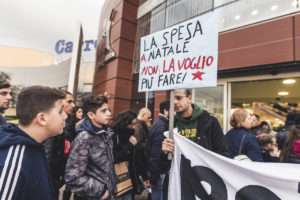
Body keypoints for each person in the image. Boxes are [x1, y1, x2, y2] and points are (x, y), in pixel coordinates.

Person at [0, 85, 67, 199]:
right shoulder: (13, 164)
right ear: (42, 119)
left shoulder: (34, 146)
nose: (65, 116)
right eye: (60, 111)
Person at [65, 95, 116, 200]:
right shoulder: (84, 138)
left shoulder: (106, 133)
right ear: (91, 115)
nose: (109, 113)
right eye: (103, 111)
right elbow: (73, 178)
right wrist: (101, 191)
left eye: (108, 110)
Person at [162, 89, 229, 157]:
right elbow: (163, 158)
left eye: (179, 98)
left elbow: (222, 152)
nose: (175, 102)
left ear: (189, 98)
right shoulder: (171, 123)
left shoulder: (210, 121)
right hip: (179, 167)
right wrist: (165, 151)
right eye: (172, 99)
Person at [44, 91, 75, 200]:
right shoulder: (54, 124)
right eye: (69, 102)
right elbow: (48, 156)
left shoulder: (69, 122)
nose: (73, 105)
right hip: (50, 181)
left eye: (73, 102)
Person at [111, 110, 139, 200]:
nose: (134, 126)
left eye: (135, 123)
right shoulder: (114, 135)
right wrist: (130, 145)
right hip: (119, 177)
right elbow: (114, 158)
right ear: (125, 122)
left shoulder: (132, 134)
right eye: (132, 123)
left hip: (130, 177)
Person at [147, 101, 170, 200]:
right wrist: (154, 178)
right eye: (173, 111)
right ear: (165, 111)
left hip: (157, 171)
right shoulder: (162, 126)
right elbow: (156, 154)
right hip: (159, 172)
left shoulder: (158, 122)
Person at [134, 108, 151, 188]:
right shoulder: (139, 127)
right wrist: (149, 143)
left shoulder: (140, 125)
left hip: (141, 159)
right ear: (143, 114)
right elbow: (138, 145)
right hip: (140, 160)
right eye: (148, 117)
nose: (149, 120)